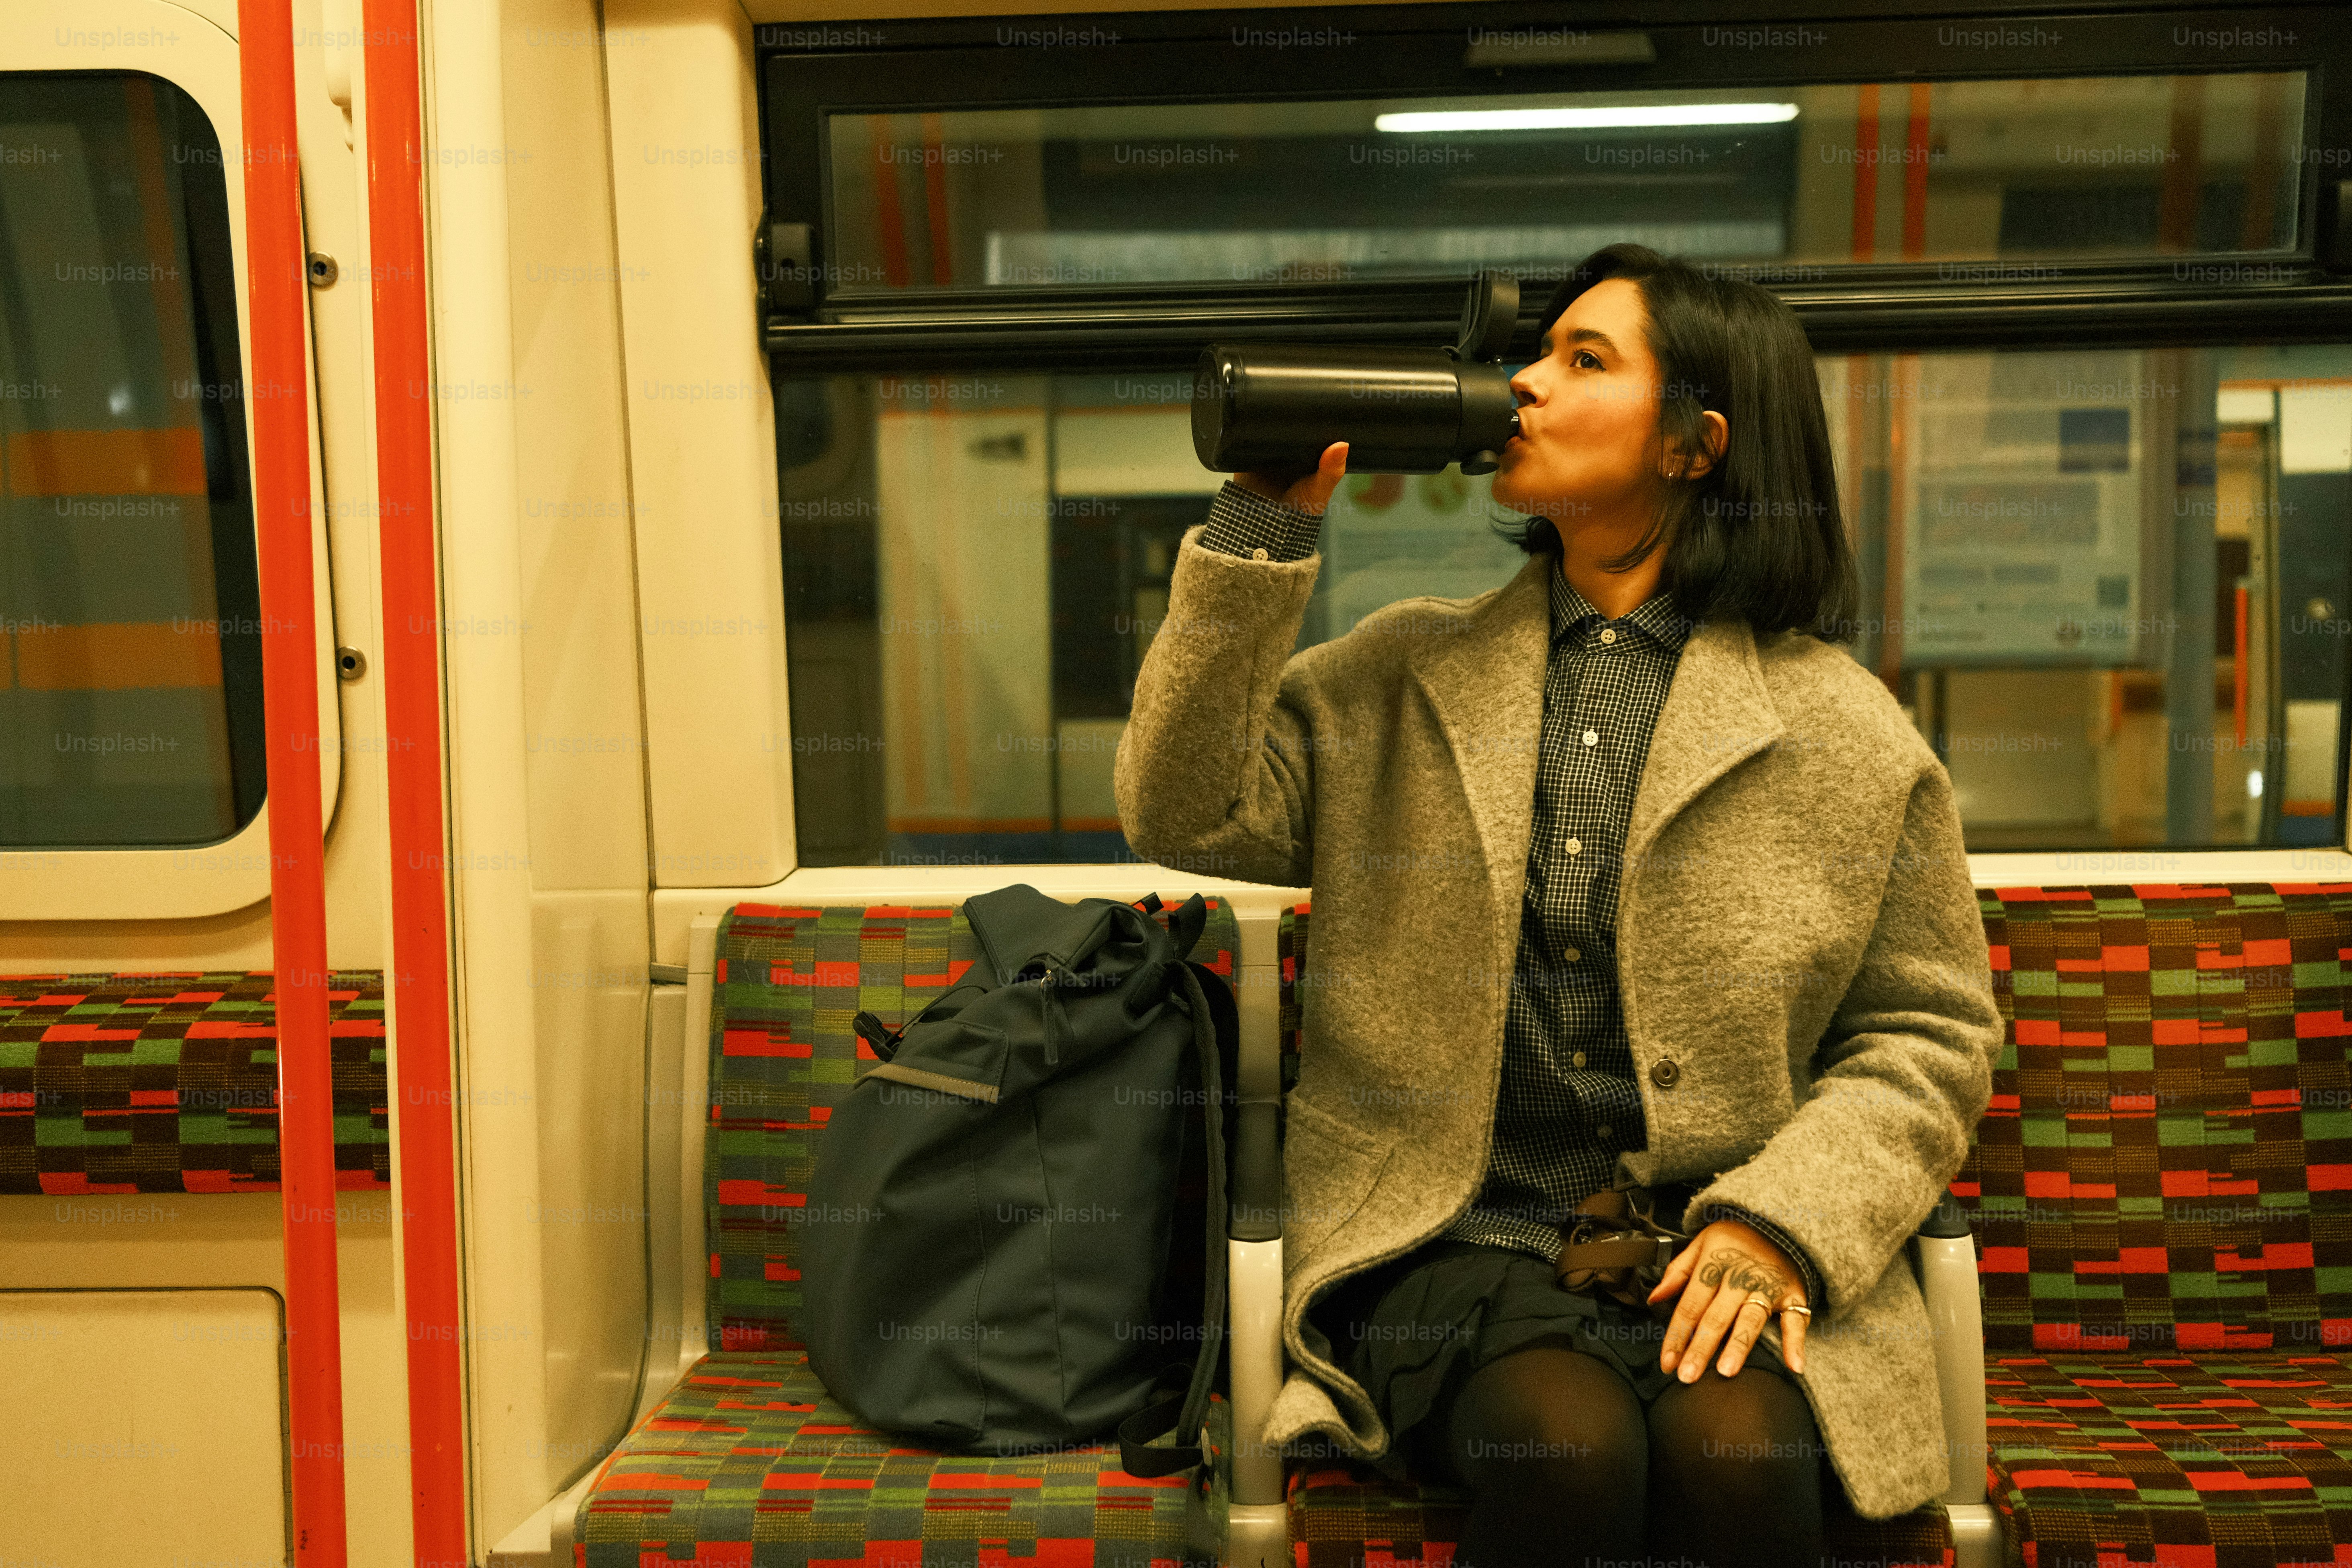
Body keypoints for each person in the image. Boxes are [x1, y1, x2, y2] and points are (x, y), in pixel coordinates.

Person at [1113, 242, 2002, 1566]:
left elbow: (1927, 1034)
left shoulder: (1843, 730)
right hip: (1442, 1236)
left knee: (1739, 1458)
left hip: (1717, 1236)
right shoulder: (1401, 672)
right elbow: (1183, 807)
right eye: (1536, 354)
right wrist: (1263, 527)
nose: (1525, 382)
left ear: (1694, 445)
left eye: (1584, 359)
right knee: (1569, 1447)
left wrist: (1784, 1223)